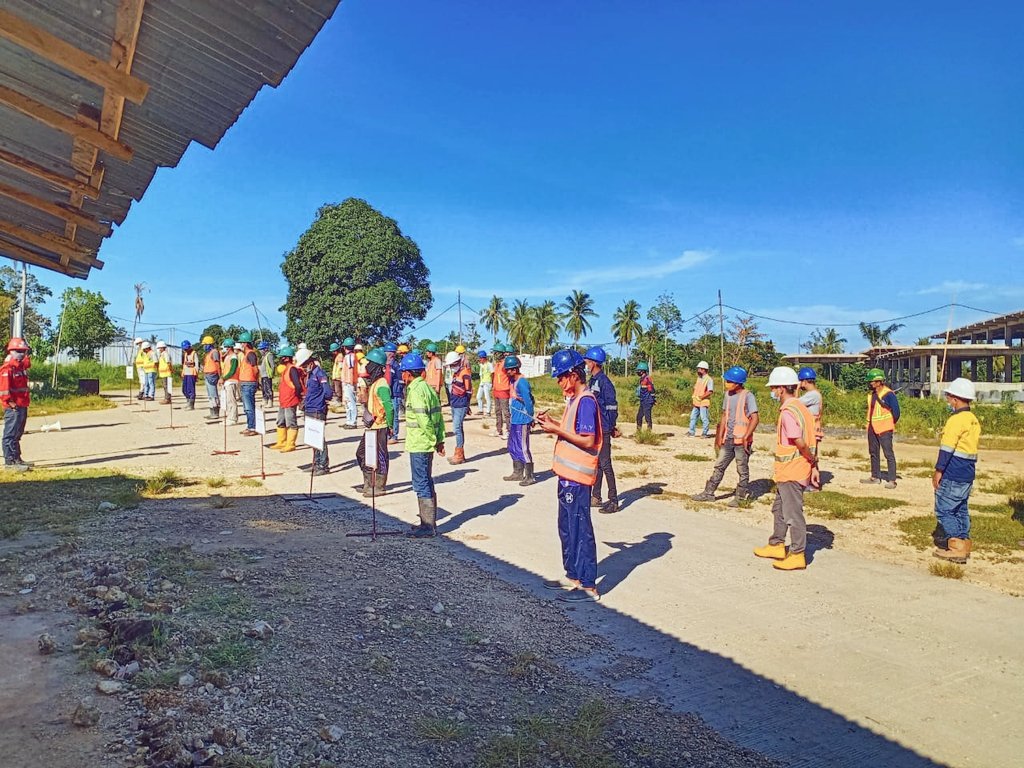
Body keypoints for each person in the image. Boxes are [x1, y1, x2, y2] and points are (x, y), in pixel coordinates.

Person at [538, 350, 602, 601]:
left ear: (574, 375)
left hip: (577, 480)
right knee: (567, 529)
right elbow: (570, 432)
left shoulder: (586, 401)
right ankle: (573, 576)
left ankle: (588, 585)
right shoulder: (574, 401)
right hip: (566, 478)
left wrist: (555, 429)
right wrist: (553, 423)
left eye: (562, 377)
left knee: (580, 529)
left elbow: (587, 440)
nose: (559, 383)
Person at [753, 367, 819, 571]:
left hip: (793, 469)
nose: (772, 392)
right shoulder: (801, 408)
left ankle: (798, 554)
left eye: (773, 388)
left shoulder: (789, 411)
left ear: (781, 389)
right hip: (791, 469)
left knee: (792, 513)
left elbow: (799, 441)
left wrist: (810, 459)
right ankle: (777, 544)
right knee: (779, 509)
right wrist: (814, 464)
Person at [691, 366, 759, 507]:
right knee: (719, 466)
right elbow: (724, 416)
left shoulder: (748, 396)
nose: (726, 384)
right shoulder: (727, 395)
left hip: (742, 441)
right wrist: (719, 436)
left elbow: (755, 418)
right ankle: (708, 493)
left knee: (742, 470)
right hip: (728, 439)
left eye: (728, 381)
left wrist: (747, 436)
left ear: (737, 383)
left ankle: (740, 498)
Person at [932, 378, 982, 565]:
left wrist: (938, 471)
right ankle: (964, 541)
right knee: (961, 508)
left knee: (944, 510)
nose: (947, 400)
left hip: (953, 471)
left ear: (955, 399)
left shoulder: (956, 420)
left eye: (949, 396)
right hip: (967, 472)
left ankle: (956, 546)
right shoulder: (973, 420)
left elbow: (947, 449)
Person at [402, 352, 445, 537]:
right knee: (427, 480)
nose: (402, 376)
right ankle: (427, 523)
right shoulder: (428, 389)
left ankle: (428, 527)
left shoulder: (415, 391)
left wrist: (433, 439)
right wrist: (440, 439)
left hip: (420, 443)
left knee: (421, 483)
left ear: (408, 374)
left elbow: (423, 419)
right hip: (426, 443)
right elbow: (439, 416)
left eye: (403, 372)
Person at [585, 346, 620, 513]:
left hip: (604, 428)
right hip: (596, 428)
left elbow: (612, 406)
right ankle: (596, 496)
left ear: (593, 363)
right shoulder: (592, 381)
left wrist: (612, 426)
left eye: (587, 361)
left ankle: (614, 500)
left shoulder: (604, 382)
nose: (586, 364)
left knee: (606, 464)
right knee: (597, 464)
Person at [356, 348, 394, 493]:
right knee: (361, 453)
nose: (367, 366)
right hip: (372, 426)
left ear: (376, 366)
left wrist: (390, 426)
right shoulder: (375, 382)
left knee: (381, 457)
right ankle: (368, 483)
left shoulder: (382, 384)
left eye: (370, 363)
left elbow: (389, 408)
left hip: (381, 426)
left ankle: (379, 486)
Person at [861, 368, 900, 489]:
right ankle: (875, 477)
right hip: (872, 428)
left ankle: (892, 480)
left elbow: (896, 412)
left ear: (879, 381)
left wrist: (888, 423)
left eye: (871, 381)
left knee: (888, 454)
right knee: (873, 452)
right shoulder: (871, 395)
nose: (870, 384)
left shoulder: (888, 394)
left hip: (885, 428)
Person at [298, 348, 332, 475]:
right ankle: (316, 463)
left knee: (319, 438)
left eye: (305, 365)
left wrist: (320, 401)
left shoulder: (319, 374)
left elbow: (328, 392)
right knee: (313, 438)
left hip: (317, 410)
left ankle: (323, 465)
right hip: (309, 408)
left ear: (310, 362)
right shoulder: (310, 375)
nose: (303, 368)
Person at [504, 354, 536, 485]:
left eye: (510, 369)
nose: (507, 372)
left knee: (523, 447)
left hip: (523, 420)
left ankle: (530, 476)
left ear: (516, 369)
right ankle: (518, 471)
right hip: (515, 419)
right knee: (512, 446)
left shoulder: (522, 382)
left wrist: (531, 417)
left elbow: (528, 401)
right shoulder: (513, 381)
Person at [1, 337, 32, 471]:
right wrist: (11, 404)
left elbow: (27, 364)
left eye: (24, 351)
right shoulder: (7, 370)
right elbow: (3, 391)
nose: (23, 354)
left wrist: (27, 357)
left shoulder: (19, 367)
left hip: (22, 405)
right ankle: (10, 462)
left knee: (18, 434)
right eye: (20, 351)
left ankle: (17, 458)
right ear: (12, 352)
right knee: (10, 434)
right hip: (14, 407)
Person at [271, 346, 304, 452]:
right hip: (283, 400)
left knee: (291, 422)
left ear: (286, 358)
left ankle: (290, 444)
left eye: (281, 357)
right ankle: (281, 441)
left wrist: (297, 397)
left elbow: (298, 386)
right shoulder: (285, 369)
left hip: (290, 400)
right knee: (280, 420)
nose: (279, 359)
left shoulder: (292, 369)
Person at [446, 351, 472, 464]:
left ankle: (459, 454)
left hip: (461, 404)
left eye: (452, 365)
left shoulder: (464, 373)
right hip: (454, 403)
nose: (451, 367)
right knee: (458, 428)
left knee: (457, 428)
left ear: (457, 362)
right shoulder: (456, 373)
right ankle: (459, 452)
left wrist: (467, 405)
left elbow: (469, 390)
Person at [236, 332, 260, 436]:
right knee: (247, 407)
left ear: (245, 343)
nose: (241, 345)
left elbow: (255, 369)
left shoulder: (250, 354)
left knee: (249, 407)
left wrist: (254, 380)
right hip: (246, 383)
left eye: (242, 343)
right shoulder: (247, 354)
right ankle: (249, 425)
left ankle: (252, 427)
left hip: (249, 383)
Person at [797, 367, 824, 457]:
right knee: (812, 453)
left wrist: (796, 390)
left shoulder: (812, 395)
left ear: (804, 381)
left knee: (810, 454)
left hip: (810, 427)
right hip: (812, 425)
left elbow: (795, 404)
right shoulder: (814, 393)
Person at [688, 361, 714, 438]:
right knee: (693, 417)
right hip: (696, 402)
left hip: (703, 402)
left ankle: (705, 433)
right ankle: (691, 432)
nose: (698, 370)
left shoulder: (709, 379)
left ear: (704, 369)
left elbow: (710, 391)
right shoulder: (699, 379)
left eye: (699, 369)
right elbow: (695, 388)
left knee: (704, 418)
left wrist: (701, 397)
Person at [492, 344, 512, 438]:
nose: (494, 354)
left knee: (506, 412)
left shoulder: (505, 364)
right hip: (496, 390)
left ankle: (509, 430)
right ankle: (498, 429)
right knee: (498, 411)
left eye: (496, 352)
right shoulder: (497, 364)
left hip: (504, 390)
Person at [220, 338, 240, 426]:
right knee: (228, 401)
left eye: (225, 347)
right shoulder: (227, 357)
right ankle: (229, 417)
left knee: (231, 401)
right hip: (227, 381)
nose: (224, 349)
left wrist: (223, 378)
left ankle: (233, 418)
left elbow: (232, 371)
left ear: (229, 347)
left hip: (232, 381)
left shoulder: (234, 357)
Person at [388, 343, 405, 444]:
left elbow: (399, 381)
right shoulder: (389, 365)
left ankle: (394, 436)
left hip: (395, 393)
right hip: (390, 393)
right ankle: (389, 434)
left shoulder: (395, 366)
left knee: (394, 415)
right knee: (389, 415)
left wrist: (398, 391)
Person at [201, 335, 221, 418]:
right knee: (210, 395)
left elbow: (217, 364)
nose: (204, 346)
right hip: (208, 375)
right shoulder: (209, 354)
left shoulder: (214, 352)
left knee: (213, 394)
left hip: (212, 375)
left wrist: (220, 376)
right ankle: (212, 411)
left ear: (209, 344)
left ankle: (215, 412)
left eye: (205, 345)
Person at [635, 361, 655, 431]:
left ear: (643, 371)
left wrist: (652, 400)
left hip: (647, 401)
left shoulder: (647, 379)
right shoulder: (641, 379)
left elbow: (651, 390)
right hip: (643, 401)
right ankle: (638, 432)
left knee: (647, 417)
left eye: (639, 371)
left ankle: (649, 433)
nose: (637, 372)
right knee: (639, 417)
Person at [180, 340, 198, 410]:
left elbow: (196, 364)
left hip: (192, 373)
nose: (185, 350)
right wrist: (183, 372)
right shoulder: (185, 354)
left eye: (186, 348)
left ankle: (191, 405)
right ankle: (188, 402)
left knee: (191, 390)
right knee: (184, 389)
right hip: (186, 373)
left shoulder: (194, 353)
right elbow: (184, 364)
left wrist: (196, 374)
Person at [476, 350, 493, 417]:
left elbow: (492, 374)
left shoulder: (489, 365)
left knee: (487, 397)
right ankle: (480, 410)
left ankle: (488, 411)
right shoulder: (481, 365)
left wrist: (492, 383)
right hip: (482, 383)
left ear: (484, 358)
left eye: (480, 358)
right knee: (478, 397)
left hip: (487, 383)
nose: (479, 359)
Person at [156, 340, 174, 405]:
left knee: (167, 386)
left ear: (162, 348)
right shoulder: (162, 354)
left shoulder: (165, 354)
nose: (159, 349)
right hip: (163, 373)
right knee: (165, 386)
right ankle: (167, 398)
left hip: (166, 373)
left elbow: (168, 363)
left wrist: (171, 369)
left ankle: (167, 399)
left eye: (159, 348)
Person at [258, 341, 275, 408]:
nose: (260, 351)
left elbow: (272, 365)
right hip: (263, 375)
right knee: (264, 389)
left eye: (261, 349)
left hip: (267, 375)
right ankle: (265, 400)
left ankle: (270, 401)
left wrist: (271, 374)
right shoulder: (263, 356)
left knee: (268, 389)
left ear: (266, 349)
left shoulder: (269, 355)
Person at [328, 341, 343, 410]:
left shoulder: (340, 356)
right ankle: (338, 400)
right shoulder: (338, 356)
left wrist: (339, 376)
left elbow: (340, 367)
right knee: (336, 389)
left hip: (338, 376)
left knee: (338, 389)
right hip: (336, 376)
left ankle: (339, 400)